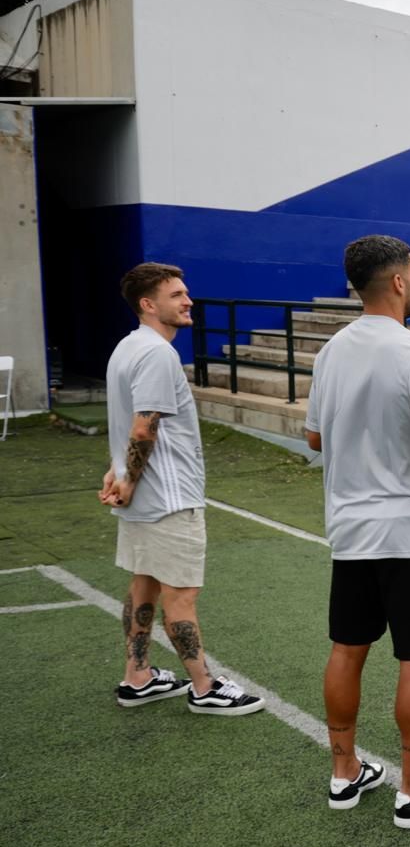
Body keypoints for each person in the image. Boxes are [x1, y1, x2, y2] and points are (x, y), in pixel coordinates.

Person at [304, 234, 410, 828]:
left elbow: (315, 439)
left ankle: (344, 770)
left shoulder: (331, 353)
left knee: (347, 649)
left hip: (350, 530)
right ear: (399, 282)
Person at [102, 263, 264, 717]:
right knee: (181, 596)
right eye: (176, 295)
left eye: (185, 292)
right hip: (168, 498)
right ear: (148, 305)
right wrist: (129, 478)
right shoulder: (157, 354)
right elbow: (143, 425)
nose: (187, 300)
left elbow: (124, 423)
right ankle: (204, 686)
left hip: (143, 497)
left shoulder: (126, 348)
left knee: (143, 586)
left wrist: (117, 473)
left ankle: (138, 676)